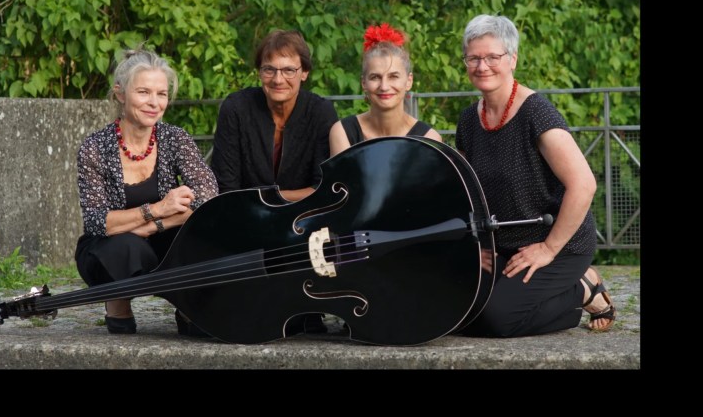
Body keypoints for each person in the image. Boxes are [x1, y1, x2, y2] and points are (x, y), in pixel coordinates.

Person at [454, 14, 615, 337]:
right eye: (474, 58)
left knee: (495, 319)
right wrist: (476, 245)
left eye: (492, 57)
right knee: (455, 311)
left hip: (558, 244)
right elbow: (469, 192)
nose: (482, 66)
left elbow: (584, 185)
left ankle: (583, 288)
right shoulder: (469, 120)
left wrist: (549, 249)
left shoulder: (535, 113)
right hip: (504, 246)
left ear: (512, 59)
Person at [74, 47, 218, 335]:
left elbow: (208, 199)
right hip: (111, 249)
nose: (154, 103)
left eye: (161, 94)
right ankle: (118, 300)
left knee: (201, 237)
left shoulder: (175, 138)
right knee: (124, 246)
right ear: (120, 94)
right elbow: (98, 222)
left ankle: (187, 304)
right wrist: (159, 208)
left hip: (163, 241)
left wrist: (151, 226)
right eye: (143, 92)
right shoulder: (94, 147)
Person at [211, 29, 338, 334]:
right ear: (259, 72)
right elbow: (226, 186)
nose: (278, 79)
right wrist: (261, 207)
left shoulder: (321, 111)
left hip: (303, 221)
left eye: (289, 70)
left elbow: (323, 188)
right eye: (269, 69)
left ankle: (309, 305)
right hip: (247, 218)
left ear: (304, 72)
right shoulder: (236, 108)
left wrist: (270, 199)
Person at [329, 23, 442, 155]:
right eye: (375, 77)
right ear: (363, 83)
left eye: (393, 76)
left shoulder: (429, 139)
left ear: (409, 81)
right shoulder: (343, 132)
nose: (384, 86)